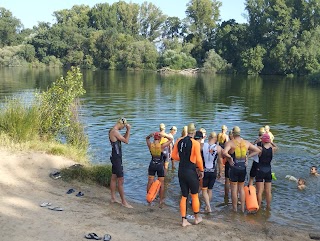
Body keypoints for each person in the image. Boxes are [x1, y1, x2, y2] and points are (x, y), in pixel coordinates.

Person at [172, 123, 204, 227]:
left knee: (184, 195)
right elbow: (199, 159)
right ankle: (196, 218)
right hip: (191, 171)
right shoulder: (195, 143)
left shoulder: (179, 140)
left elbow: (173, 156)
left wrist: (182, 159)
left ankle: (184, 220)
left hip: (181, 170)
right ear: (194, 132)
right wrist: (201, 170)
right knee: (194, 195)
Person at [223, 126, 261, 212]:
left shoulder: (230, 143)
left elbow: (224, 152)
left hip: (234, 167)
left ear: (233, 133)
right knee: (241, 188)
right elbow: (258, 150)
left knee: (234, 188)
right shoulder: (246, 143)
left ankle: (235, 209)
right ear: (240, 133)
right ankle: (243, 209)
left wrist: (230, 158)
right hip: (243, 168)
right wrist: (248, 156)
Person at [108, 117, 132, 208]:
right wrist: (129, 130)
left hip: (115, 157)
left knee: (114, 177)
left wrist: (126, 131)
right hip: (116, 158)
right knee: (121, 180)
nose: (124, 128)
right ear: (121, 124)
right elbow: (126, 141)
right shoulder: (114, 132)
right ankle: (124, 201)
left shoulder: (114, 131)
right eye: (124, 126)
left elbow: (123, 139)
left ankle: (113, 198)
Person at [146, 132, 173, 207]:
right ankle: (161, 200)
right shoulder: (162, 146)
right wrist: (165, 136)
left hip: (152, 164)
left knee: (150, 181)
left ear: (154, 138)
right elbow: (171, 140)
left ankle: (149, 199)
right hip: (159, 165)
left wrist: (150, 135)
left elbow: (147, 138)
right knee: (161, 183)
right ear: (160, 138)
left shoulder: (150, 145)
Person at [201, 132, 223, 213]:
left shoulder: (202, 146)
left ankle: (208, 207)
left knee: (204, 190)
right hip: (213, 170)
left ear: (209, 137)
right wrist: (221, 172)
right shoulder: (218, 148)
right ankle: (207, 206)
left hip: (204, 170)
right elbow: (220, 161)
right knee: (210, 190)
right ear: (216, 138)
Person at [255, 133, 278, 210]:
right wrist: (271, 142)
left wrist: (258, 140)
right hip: (268, 170)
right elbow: (276, 147)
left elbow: (251, 147)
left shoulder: (260, 149)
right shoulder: (272, 149)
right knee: (268, 191)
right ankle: (268, 207)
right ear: (269, 141)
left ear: (263, 140)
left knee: (260, 191)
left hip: (260, 170)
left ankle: (259, 206)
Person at [224, 130, 234, 202]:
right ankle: (235, 197)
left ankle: (226, 196)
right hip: (236, 163)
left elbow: (225, 154)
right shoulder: (239, 143)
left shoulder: (227, 144)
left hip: (228, 163)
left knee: (227, 180)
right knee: (235, 182)